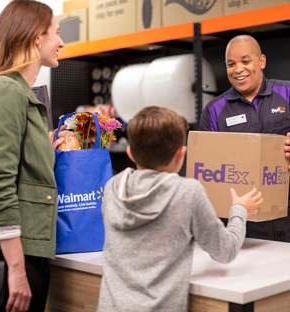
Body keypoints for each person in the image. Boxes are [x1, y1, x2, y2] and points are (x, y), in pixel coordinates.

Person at [97, 106, 263, 312]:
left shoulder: (112, 187)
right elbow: (225, 251)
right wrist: (239, 209)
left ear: (130, 152)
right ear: (180, 154)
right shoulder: (188, 192)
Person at [0, 1, 65, 311]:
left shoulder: (20, 93)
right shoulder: (6, 90)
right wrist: (16, 269)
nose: (61, 41)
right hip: (10, 257)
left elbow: (18, 169)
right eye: (57, 32)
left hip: (29, 250)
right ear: (35, 38)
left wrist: (44, 150)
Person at [199, 34, 290, 242]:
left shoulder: (287, 93)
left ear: (262, 61)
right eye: (231, 64)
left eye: (245, 61)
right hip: (244, 224)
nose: (238, 69)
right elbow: (205, 169)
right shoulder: (215, 110)